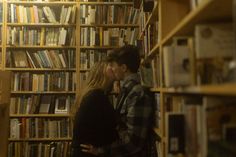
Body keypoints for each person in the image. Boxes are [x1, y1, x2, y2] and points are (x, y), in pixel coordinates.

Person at [81, 45, 155, 157]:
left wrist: (101, 150)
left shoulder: (136, 93)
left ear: (124, 68)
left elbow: (134, 143)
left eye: (113, 65)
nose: (111, 69)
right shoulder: (127, 90)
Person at [71, 62, 118, 157]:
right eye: (110, 67)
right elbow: (112, 125)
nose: (113, 69)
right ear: (102, 73)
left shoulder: (90, 93)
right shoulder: (97, 96)